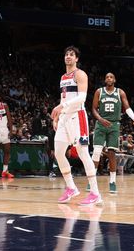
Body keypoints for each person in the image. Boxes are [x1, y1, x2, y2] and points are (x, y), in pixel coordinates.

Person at [51, 46, 102, 205]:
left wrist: (62, 107)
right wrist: (58, 115)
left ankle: (95, 193)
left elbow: (82, 98)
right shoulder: (62, 77)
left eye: (71, 55)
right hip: (64, 118)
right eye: (66, 54)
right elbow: (63, 98)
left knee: (83, 153)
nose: (68, 56)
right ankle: (71, 187)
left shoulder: (80, 74)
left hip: (77, 116)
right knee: (58, 153)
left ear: (77, 59)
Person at [90, 72, 134, 194]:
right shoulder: (99, 91)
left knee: (112, 153)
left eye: (111, 77)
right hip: (101, 124)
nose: (109, 78)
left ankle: (112, 181)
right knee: (97, 152)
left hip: (114, 125)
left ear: (115, 80)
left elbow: (127, 107)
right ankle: (91, 180)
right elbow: (93, 108)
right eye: (107, 77)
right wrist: (100, 119)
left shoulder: (120, 92)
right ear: (105, 80)